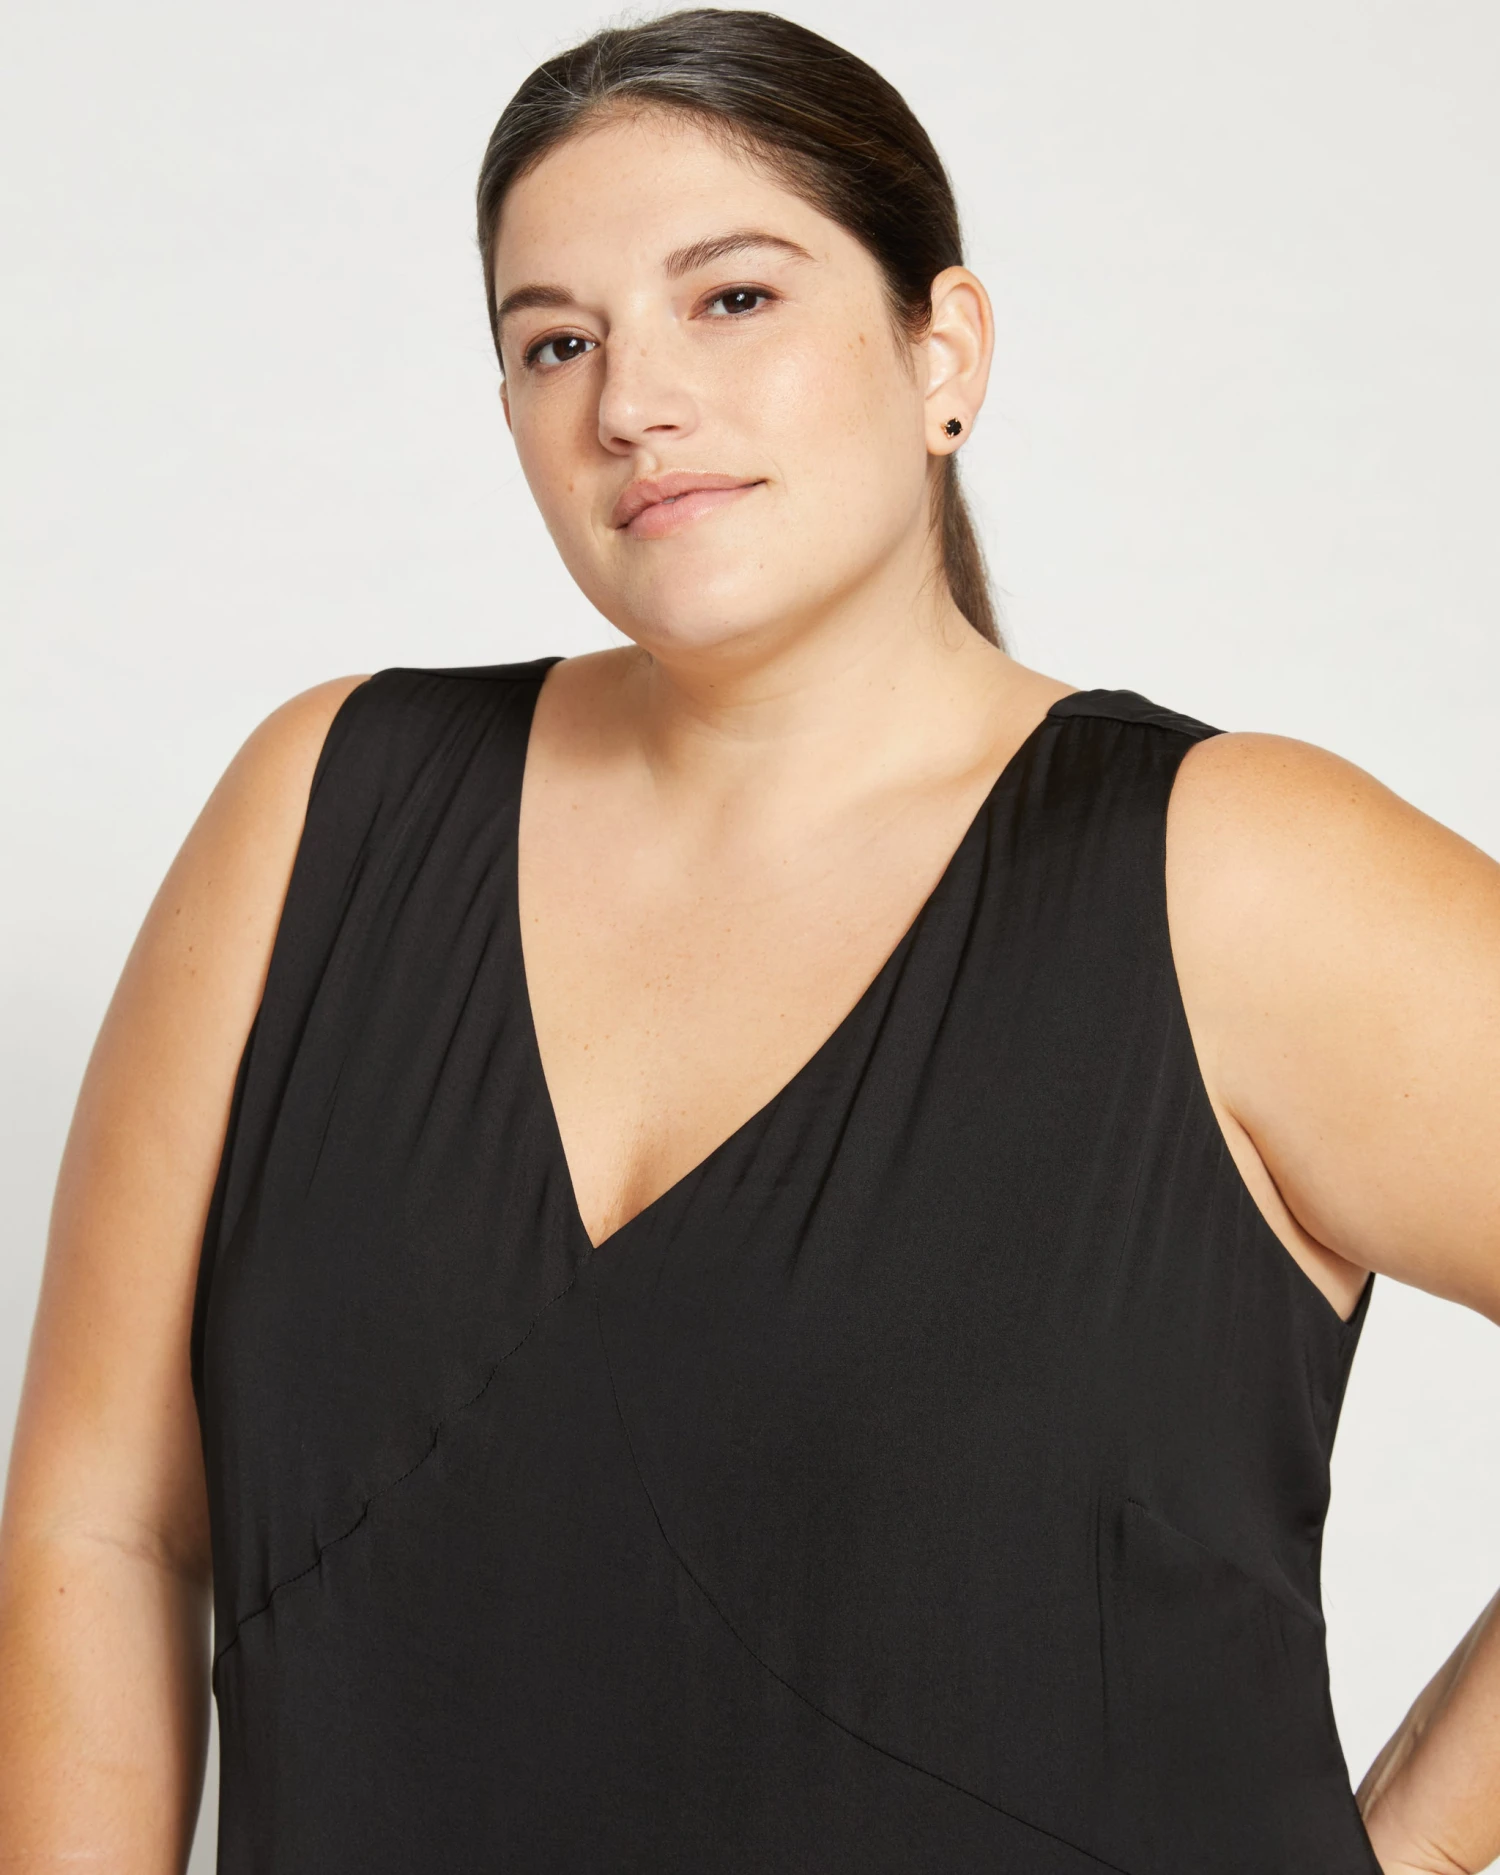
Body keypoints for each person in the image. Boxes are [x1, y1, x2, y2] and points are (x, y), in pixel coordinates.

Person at [1, 8, 1497, 1870]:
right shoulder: (323, 811)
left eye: (731, 299)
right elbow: (103, 1521)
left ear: (944, 351)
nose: (632, 401)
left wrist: (1416, 1839)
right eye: (556, 340)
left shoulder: (1233, 872)